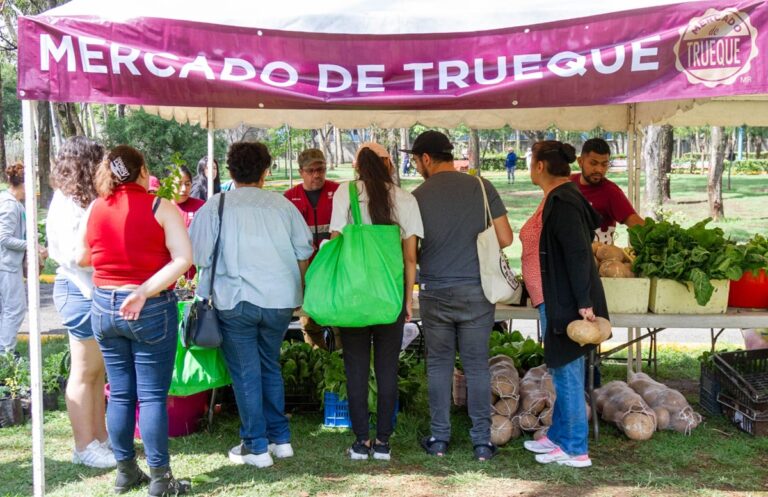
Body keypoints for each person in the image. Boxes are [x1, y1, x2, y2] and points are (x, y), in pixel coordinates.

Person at [190, 142, 313, 469]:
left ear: (229, 171)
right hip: (280, 300)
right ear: (266, 171)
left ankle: (256, 446)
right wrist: (303, 295)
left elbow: (199, 256)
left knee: (246, 372)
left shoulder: (216, 206)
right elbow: (304, 251)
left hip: (236, 299)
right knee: (269, 365)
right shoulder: (283, 206)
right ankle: (280, 439)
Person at [79, 145, 193, 496]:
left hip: (104, 306)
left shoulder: (95, 208)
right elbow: (184, 259)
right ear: (143, 170)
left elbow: (81, 256)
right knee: (153, 396)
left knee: (122, 394)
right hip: (149, 306)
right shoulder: (161, 207)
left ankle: (126, 471)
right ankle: (160, 479)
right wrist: (143, 289)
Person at [407, 131, 514, 462]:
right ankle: (482, 442)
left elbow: (410, 253)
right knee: (476, 365)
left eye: (415, 160)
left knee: (438, 363)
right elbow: (506, 238)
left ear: (426, 159)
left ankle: (439, 438)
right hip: (477, 290)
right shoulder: (482, 187)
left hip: (435, 290)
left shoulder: (416, 196)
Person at [329, 144, 423, 461]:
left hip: (353, 298)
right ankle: (383, 442)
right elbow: (411, 259)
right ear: (388, 164)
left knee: (355, 370)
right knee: (387, 370)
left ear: (357, 165)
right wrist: (407, 299)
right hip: (390, 297)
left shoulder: (345, 193)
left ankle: (360, 442)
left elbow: (335, 245)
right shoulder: (405, 198)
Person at [522, 140, 608, 469]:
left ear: (540, 165)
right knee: (561, 369)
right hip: (554, 297)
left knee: (567, 373)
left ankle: (575, 448)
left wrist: (584, 303)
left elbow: (577, 254)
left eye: (532, 161)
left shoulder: (564, 201)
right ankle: (559, 436)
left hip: (565, 300)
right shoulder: (558, 197)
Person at [47, 136, 116, 469]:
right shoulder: (69, 202)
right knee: (84, 373)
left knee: (96, 372)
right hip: (78, 290)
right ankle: (83, 445)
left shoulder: (80, 198)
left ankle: (101, 439)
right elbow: (75, 256)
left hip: (90, 290)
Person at [284, 148, 340, 350]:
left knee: (338, 321)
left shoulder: (339, 192)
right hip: (304, 272)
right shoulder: (289, 198)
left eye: (321, 169)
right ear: (301, 171)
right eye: (311, 170)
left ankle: (340, 363)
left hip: (335, 271)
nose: (317, 175)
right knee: (309, 323)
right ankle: (317, 361)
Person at [571, 138, 644, 244]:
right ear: (580, 161)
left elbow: (636, 223)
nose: (599, 170)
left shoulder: (611, 192)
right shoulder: (568, 183)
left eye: (604, 164)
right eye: (593, 163)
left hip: (601, 257)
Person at [0, 163, 28, 354]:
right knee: (15, 309)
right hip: (7, 265)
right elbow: (4, 238)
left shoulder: (12, 202)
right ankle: (5, 353)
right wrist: (32, 246)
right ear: (22, 183)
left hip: (9, 264)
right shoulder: (9, 205)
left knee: (9, 310)